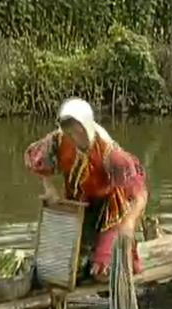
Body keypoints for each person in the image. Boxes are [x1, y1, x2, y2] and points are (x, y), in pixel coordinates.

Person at [24, 98, 148, 282]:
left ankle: (115, 256)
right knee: (68, 268)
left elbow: (140, 195)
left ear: (87, 126)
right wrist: (50, 189)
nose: (74, 137)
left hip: (109, 209)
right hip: (78, 205)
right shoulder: (58, 140)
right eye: (70, 132)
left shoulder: (110, 153)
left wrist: (129, 222)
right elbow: (40, 160)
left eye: (78, 130)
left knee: (102, 273)